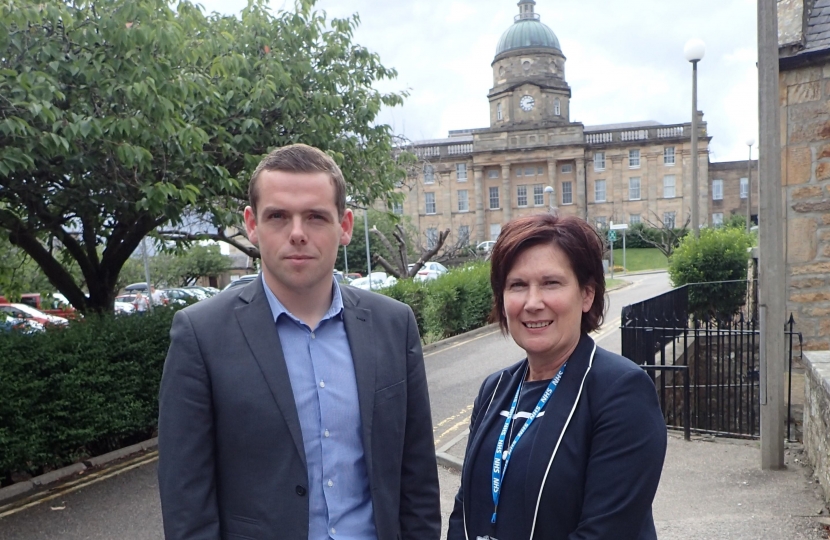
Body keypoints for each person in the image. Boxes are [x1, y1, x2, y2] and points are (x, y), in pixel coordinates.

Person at [158, 144, 441, 540]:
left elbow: (418, 482)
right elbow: (187, 502)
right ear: (252, 224)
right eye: (277, 216)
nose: (297, 233)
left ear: (344, 226)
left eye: (315, 217)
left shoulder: (394, 325)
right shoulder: (200, 335)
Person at [448, 213, 667, 540]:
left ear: (587, 294)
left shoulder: (621, 393)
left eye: (551, 283)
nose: (533, 303)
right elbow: (464, 509)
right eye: (517, 285)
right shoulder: (494, 391)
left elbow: (605, 531)